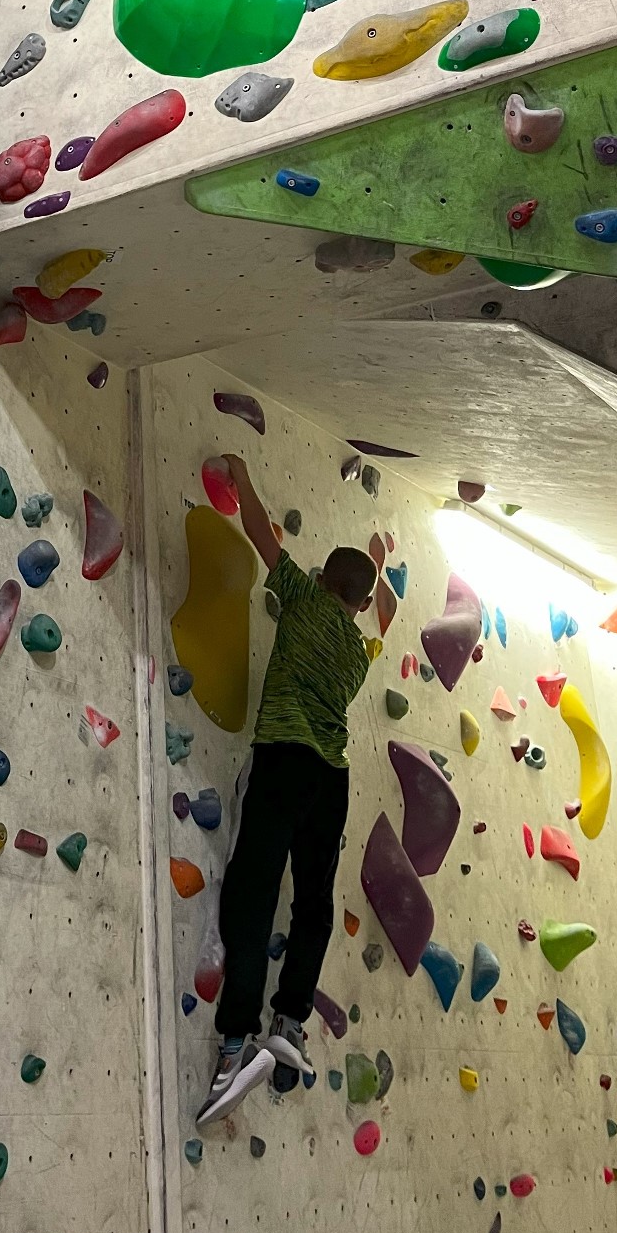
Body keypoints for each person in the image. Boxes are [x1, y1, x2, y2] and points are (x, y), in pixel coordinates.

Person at [195, 454, 377, 1126]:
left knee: (253, 894)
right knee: (314, 904)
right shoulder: (358, 656)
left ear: (323, 579)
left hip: (285, 761)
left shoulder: (301, 596)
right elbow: (364, 606)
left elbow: (259, 533)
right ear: (360, 605)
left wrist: (243, 477)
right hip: (332, 779)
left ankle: (236, 1041)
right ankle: (290, 1019)